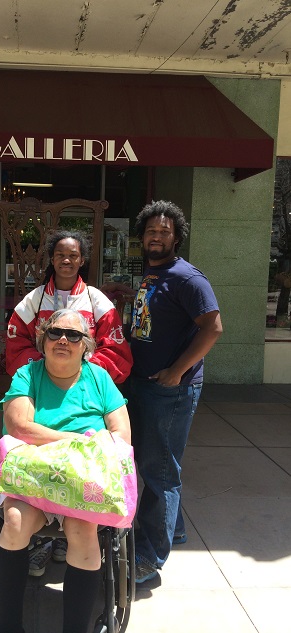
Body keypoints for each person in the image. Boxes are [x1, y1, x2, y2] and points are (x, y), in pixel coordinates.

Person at [0, 309, 131, 633]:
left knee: (83, 530)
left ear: (86, 345)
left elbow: (121, 435)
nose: (63, 340)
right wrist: (79, 440)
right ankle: (9, 627)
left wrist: (77, 450)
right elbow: (18, 427)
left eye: (73, 335)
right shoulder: (28, 375)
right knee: (14, 523)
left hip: (85, 480)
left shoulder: (99, 378)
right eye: (55, 333)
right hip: (34, 477)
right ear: (42, 340)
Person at [6, 229, 133, 572]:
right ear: (51, 258)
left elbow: (116, 348)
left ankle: (64, 537)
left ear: (82, 260)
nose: (66, 261)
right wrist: (44, 371)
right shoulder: (33, 300)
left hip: (82, 391)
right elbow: (16, 345)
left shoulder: (96, 301)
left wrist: (82, 370)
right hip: (42, 396)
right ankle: (44, 540)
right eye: (60, 255)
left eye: (73, 256)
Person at [129, 200, 223, 583]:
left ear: (177, 237)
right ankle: (176, 528)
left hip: (169, 390)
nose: (156, 236)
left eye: (164, 232)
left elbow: (213, 328)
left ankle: (150, 559)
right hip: (145, 384)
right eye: (151, 231)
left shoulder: (188, 278)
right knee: (158, 464)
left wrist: (176, 372)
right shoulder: (153, 274)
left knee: (160, 471)